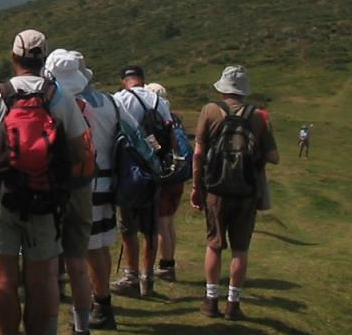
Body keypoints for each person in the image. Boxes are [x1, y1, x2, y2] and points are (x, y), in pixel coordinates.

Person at [0, 29, 91, 335]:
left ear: (14, 57)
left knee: (5, 281)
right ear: (43, 58)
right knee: (40, 281)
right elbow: (80, 152)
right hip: (45, 202)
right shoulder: (59, 95)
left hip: (3, 198)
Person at [191, 65, 279, 320]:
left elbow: (198, 153)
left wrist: (197, 187)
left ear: (223, 89)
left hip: (216, 189)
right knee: (240, 249)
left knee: (214, 244)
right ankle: (233, 303)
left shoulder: (210, 110)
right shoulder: (259, 116)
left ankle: (210, 300)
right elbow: (275, 158)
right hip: (247, 191)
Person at [42, 49, 107, 335]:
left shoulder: (46, 104)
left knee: (49, 267)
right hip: (81, 190)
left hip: (48, 192)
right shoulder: (85, 106)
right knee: (78, 264)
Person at [111, 66, 172, 296]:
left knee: (128, 226)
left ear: (123, 80)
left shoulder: (120, 99)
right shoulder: (159, 101)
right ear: (143, 80)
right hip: (154, 169)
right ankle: (148, 279)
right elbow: (170, 132)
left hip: (128, 169)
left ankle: (131, 275)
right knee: (150, 227)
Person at [145, 81, 184, 283]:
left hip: (165, 174)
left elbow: (155, 146)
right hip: (178, 173)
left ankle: (165, 265)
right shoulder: (175, 118)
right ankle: (170, 261)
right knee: (169, 222)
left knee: (161, 223)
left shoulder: (156, 118)